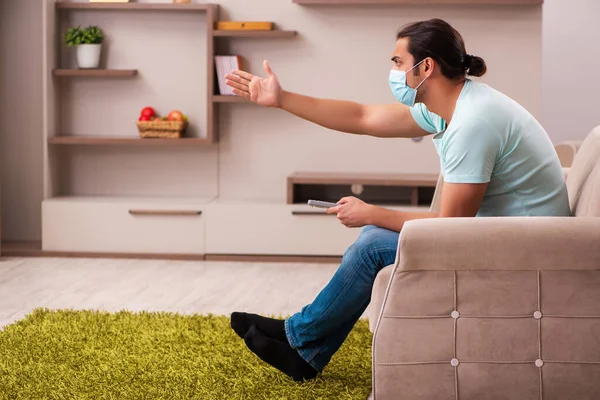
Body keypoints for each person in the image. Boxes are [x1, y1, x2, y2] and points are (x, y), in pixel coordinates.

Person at [225, 18, 570, 382]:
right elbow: (363, 116)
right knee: (373, 238)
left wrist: (370, 212)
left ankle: (300, 341)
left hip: (529, 252)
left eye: (397, 62)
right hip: (511, 236)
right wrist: (282, 99)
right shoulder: (451, 106)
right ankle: (302, 341)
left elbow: (450, 228)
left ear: (426, 67)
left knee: (373, 243)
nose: (392, 71)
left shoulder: (473, 123)